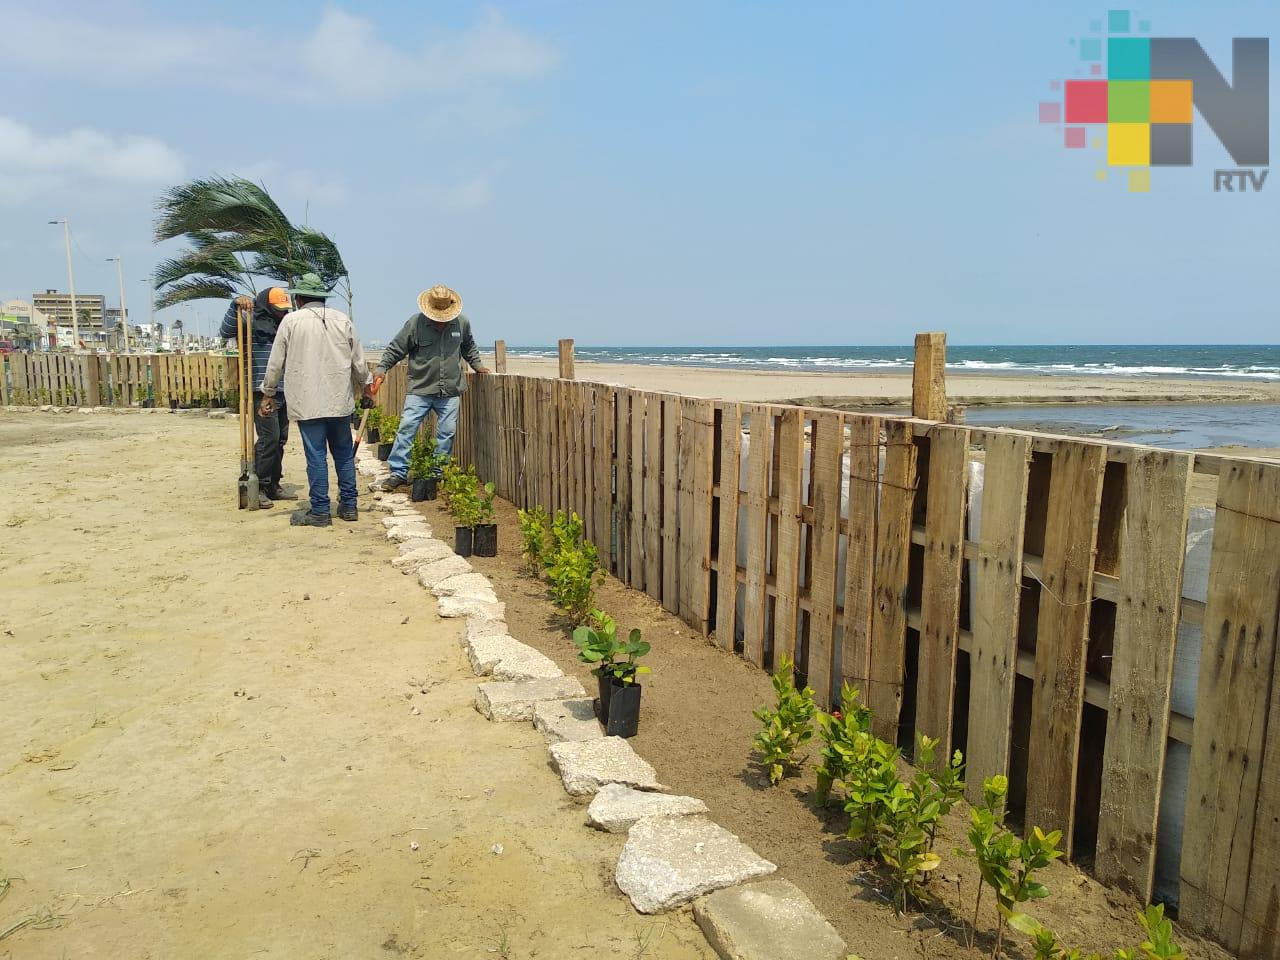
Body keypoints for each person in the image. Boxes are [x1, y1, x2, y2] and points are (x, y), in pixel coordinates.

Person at [259, 273, 370, 527]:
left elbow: (275, 363)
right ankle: (349, 506)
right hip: (338, 400)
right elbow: (359, 363)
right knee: (343, 455)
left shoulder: (291, 322)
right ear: (322, 298)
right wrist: (366, 388)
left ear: (299, 299)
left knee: (316, 456)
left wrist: (268, 392)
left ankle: (320, 510)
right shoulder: (343, 320)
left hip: (307, 402)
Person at [368, 284, 489, 492]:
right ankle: (398, 472)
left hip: (450, 390)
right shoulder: (416, 323)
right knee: (407, 429)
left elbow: (469, 346)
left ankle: (437, 472)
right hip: (420, 388)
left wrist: (478, 366)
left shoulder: (462, 323)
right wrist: (382, 368)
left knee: (447, 433)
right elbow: (396, 348)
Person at [219, 286, 293, 507]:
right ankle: (258, 484)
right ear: (267, 306)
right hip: (260, 392)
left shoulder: (285, 325)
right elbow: (225, 331)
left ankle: (273, 484)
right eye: (278, 309)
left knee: (280, 439)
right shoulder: (249, 322)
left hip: (284, 390)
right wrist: (235, 304)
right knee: (269, 438)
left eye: (284, 309)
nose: (282, 313)